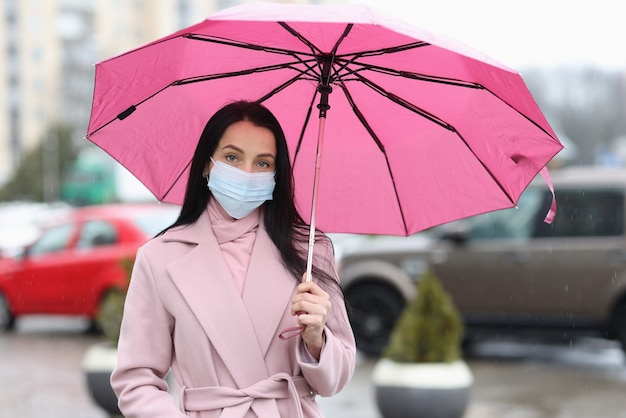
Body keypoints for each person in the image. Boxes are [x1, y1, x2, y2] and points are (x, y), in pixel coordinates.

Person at [111, 100, 356, 417]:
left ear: (277, 175)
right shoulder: (159, 258)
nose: (247, 173)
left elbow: (335, 381)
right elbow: (136, 379)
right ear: (206, 164)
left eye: (263, 163)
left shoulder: (310, 250)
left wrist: (316, 340)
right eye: (232, 157)